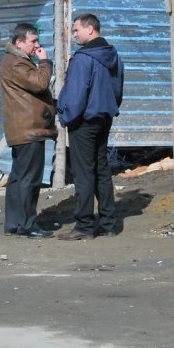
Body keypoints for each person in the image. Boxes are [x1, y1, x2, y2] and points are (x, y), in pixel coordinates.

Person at [56, 14, 125, 240]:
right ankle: (109, 224)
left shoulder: (83, 58)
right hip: (104, 118)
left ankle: (84, 226)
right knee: (102, 170)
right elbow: (117, 90)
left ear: (90, 29)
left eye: (76, 30)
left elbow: (75, 95)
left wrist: (65, 116)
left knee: (84, 173)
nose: (74, 34)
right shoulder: (113, 56)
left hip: (84, 121)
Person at [0, 22, 58, 238]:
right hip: (29, 130)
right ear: (19, 42)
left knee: (18, 178)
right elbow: (40, 83)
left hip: (23, 129)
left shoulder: (15, 61)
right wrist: (45, 62)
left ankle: (14, 224)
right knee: (29, 180)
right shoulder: (17, 63)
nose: (37, 45)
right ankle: (27, 225)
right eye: (33, 41)